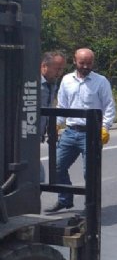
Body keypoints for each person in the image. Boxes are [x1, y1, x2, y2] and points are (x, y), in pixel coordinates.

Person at [45, 48, 115, 213]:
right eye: (82, 63)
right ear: (75, 61)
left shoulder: (101, 81)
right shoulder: (67, 80)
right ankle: (65, 199)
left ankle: (91, 207)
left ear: (93, 63)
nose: (85, 66)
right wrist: (56, 124)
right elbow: (62, 106)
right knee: (57, 167)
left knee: (89, 173)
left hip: (91, 133)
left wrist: (105, 128)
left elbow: (109, 107)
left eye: (89, 63)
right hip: (70, 132)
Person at [40, 51, 66, 182]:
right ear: (44, 66)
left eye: (62, 69)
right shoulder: (33, 83)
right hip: (23, 138)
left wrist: (52, 128)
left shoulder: (52, 84)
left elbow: (49, 108)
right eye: (57, 69)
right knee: (38, 178)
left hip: (36, 137)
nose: (59, 73)